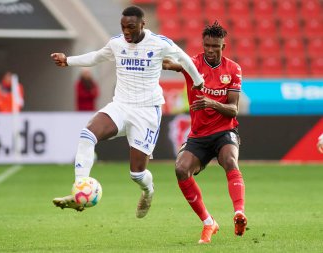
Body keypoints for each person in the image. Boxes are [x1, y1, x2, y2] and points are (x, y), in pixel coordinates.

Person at [50, 5, 204, 218]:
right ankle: (79, 190)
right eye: (123, 27)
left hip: (146, 112)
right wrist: (68, 60)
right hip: (120, 106)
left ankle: (148, 191)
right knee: (87, 135)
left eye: (131, 27)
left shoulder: (159, 43)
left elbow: (184, 58)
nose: (127, 32)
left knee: (137, 174)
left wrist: (198, 80)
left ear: (143, 24)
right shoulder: (117, 43)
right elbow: (96, 57)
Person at [162, 21, 247, 243]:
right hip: (199, 135)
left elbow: (233, 109)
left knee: (229, 160)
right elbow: (171, 64)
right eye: (207, 45)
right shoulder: (193, 64)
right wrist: (153, 59)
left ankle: (239, 212)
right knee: (181, 169)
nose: (210, 50)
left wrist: (211, 103)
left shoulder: (233, 69)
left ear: (223, 47)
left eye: (215, 47)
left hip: (224, 131)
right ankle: (209, 222)